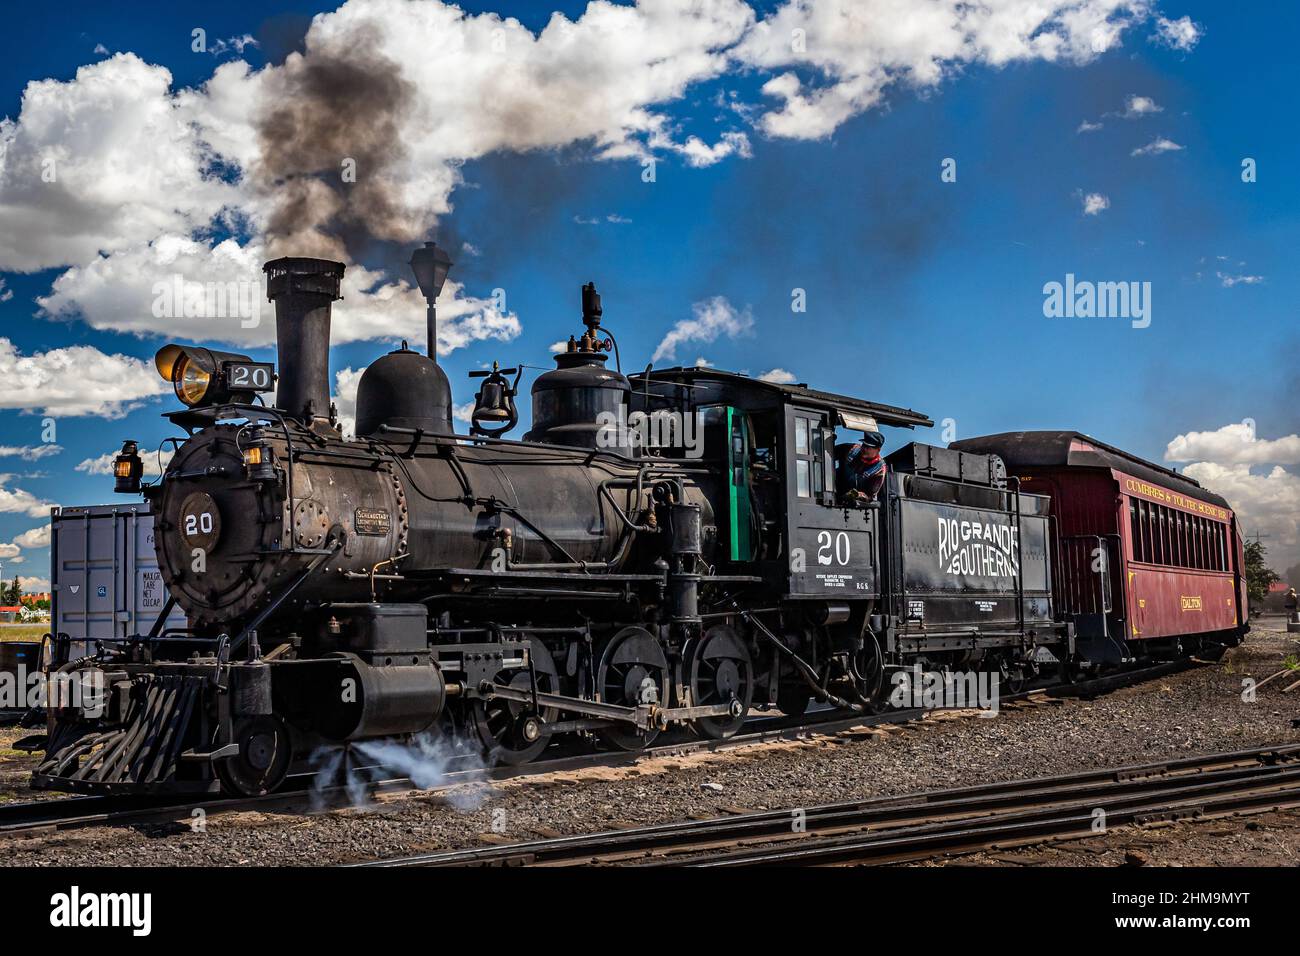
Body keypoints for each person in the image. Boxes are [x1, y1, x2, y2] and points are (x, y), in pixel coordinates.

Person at [843, 430, 887, 502]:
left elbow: (870, 496)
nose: (864, 449)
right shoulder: (852, 449)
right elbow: (829, 451)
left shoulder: (879, 469)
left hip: (852, 504)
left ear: (878, 450)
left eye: (868, 447)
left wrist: (858, 495)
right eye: (864, 445)